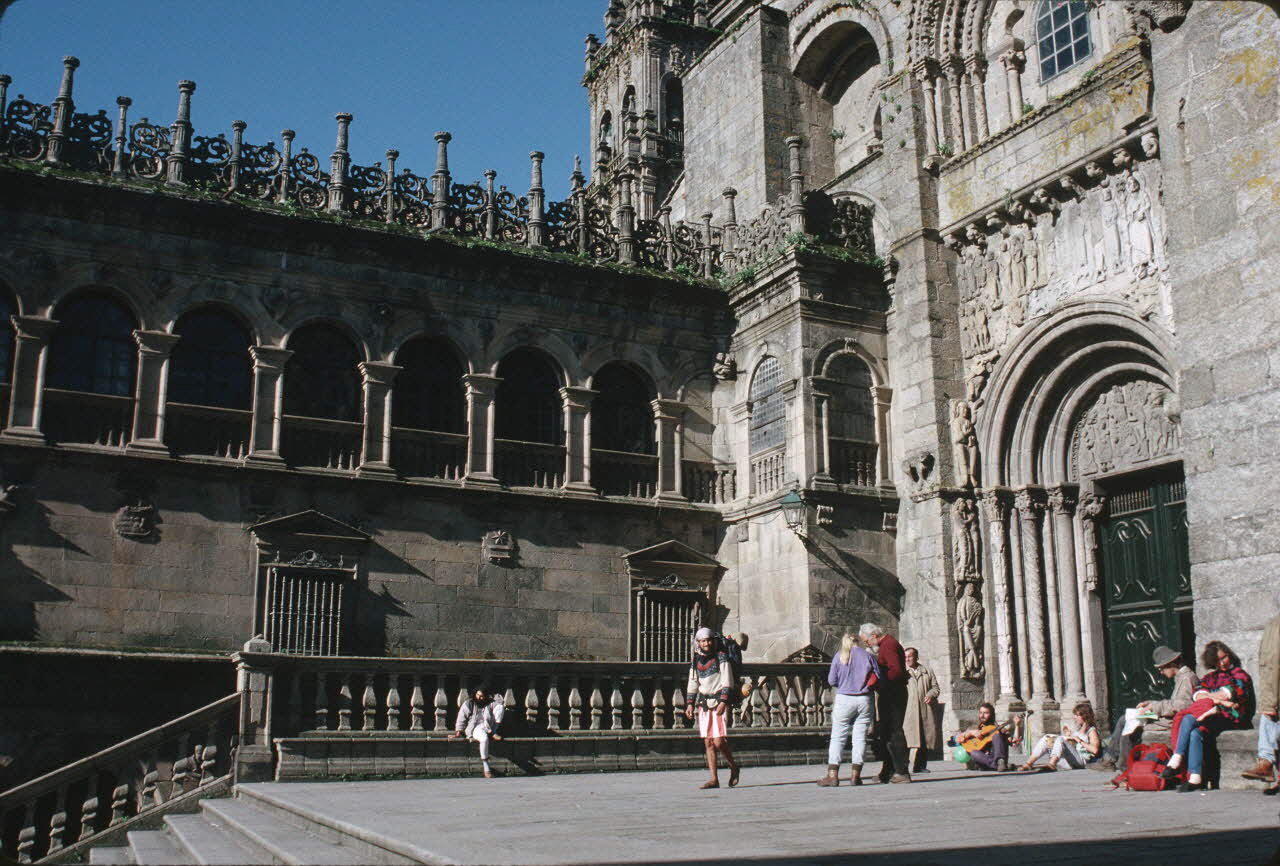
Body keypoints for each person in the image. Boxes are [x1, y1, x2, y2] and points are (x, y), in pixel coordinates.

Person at [1163, 640, 1254, 792]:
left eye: (1224, 657)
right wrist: (1213, 697)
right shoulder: (1211, 677)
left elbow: (1229, 693)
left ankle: (1176, 758)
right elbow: (1197, 693)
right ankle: (1195, 777)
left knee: (1188, 718)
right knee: (1195, 732)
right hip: (1212, 716)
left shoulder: (1239, 674)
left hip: (1232, 717)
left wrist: (1210, 697)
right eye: (1217, 660)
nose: (1222, 663)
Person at [1098, 645, 1196, 772]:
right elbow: (1174, 703)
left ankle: (1125, 769)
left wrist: (1154, 707)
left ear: (1171, 664)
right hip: (1169, 717)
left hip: (1173, 722)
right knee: (1125, 719)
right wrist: (1151, 703)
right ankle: (1110, 759)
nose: (1161, 672)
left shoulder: (1187, 678)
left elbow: (1183, 705)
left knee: (1131, 724)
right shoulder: (1181, 678)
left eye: (1161, 668)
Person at [818, 632, 882, 787]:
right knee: (860, 737)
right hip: (864, 698)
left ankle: (833, 775)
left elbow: (831, 680)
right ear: (857, 642)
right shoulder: (867, 656)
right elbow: (878, 676)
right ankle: (855, 776)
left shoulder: (839, 656)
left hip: (844, 698)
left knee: (838, 736)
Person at [685, 626, 741, 789]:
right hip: (704, 704)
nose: (706, 643)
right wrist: (689, 703)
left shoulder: (721, 657)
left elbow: (727, 681)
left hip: (718, 702)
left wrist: (724, 701)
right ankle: (713, 779)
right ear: (698, 643)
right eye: (703, 641)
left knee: (718, 741)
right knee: (708, 742)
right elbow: (693, 682)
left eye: (708, 640)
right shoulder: (696, 660)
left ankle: (733, 766)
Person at [860, 622, 911, 783]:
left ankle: (902, 771)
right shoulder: (887, 644)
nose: (866, 644)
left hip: (893, 693)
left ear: (874, 636)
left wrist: (878, 681)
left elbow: (895, 671)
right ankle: (888, 770)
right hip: (891, 692)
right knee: (887, 732)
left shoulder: (888, 645)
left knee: (894, 731)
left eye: (866, 641)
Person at [1243, 611, 1280, 793]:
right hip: (1275, 692)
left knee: (1272, 724)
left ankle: (1265, 762)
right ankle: (1265, 762)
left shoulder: (1274, 626)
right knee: (1271, 723)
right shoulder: (1274, 626)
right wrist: (1269, 701)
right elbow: (1270, 666)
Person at [1018, 702, 1102, 771]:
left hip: (1082, 761)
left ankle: (1052, 764)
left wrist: (1079, 740)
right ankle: (1028, 764)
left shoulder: (1091, 731)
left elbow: (1095, 750)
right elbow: (1073, 747)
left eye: (1077, 715)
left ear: (1084, 716)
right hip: (1070, 760)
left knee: (1060, 739)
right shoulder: (1078, 731)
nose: (1075, 717)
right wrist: (1069, 737)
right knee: (1047, 738)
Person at [448, 687, 506, 778]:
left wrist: (494, 698)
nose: (480, 698)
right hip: (476, 728)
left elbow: (500, 703)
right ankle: (486, 767)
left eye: (482, 696)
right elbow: (461, 717)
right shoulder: (469, 703)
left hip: (488, 726)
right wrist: (458, 731)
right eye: (478, 695)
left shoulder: (490, 702)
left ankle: (493, 731)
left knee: (500, 707)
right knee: (484, 739)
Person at [903, 647, 940, 774]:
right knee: (907, 738)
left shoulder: (926, 671)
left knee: (924, 738)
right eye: (906, 657)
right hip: (909, 711)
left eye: (910, 656)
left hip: (925, 709)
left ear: (916, 657)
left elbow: (935, 688)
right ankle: (903, 766)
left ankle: (920, 765)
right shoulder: (903, 672)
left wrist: (930, 695)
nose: (907, 659)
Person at [954, 702, 1013, 771]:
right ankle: (996, 765)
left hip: (995, 756)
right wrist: (970, 733)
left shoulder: (998, 728)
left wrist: (1017, 726)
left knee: (996, 735)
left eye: (985, 713)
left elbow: (1012, 741)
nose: (982, 715)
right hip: (983, 759)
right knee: (973, 753)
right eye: (981, 712)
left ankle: (1000, 761)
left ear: (991, 715)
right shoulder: (975, 727)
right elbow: (957, 739)